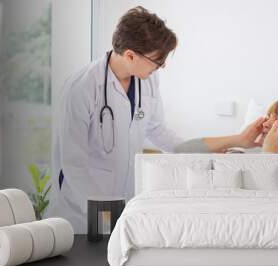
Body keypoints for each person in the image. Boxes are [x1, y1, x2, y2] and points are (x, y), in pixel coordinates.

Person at [48, 6, 184, 233]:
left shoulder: (147, 80)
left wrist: (198, 152)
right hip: (80, 217)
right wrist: (106, 217)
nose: (161, 66)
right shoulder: (81, 87)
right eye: (157, 60)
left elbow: (158, 130)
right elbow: (74, 165)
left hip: (123, 209)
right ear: (131, 55)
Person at [174, 99, 278, 196]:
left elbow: (267, 197)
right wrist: (238, 140)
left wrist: (271, 153)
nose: (266, 123)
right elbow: (179, 152)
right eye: (268, 117)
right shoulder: (239, 154)